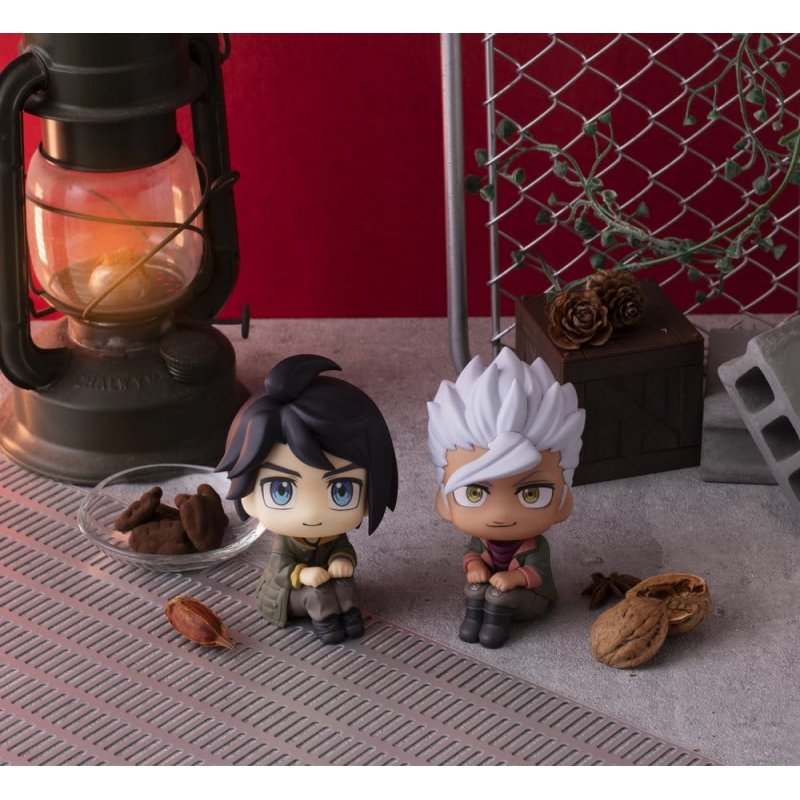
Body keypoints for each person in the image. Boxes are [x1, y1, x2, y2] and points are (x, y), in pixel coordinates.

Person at [218, 354, 398, 644]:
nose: (312, 512)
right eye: (281, 491)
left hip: (325, 586)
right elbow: (280, 569)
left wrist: (341, 560)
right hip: (285, 597)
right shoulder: (286, 544)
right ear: (248, 496)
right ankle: (328, 625)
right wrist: (303, 574)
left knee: (344, 585)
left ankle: (349, 617)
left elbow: (343, 550)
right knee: (318, 594)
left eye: (342, 491)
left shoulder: (333, 537)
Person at [427, 347, 585, 648]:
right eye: (474, 493)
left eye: (531, 494)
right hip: (491, 588)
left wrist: (514, 579)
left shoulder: (535, 547)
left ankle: (494, 628)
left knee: (499, 595)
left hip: (529, 598)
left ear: (564, 502)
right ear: (443, 502)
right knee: (476, 590)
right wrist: (474, 566)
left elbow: (536, 573)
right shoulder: (481, 541)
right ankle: (474, 619)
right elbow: (472, 555)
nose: (500, 513)